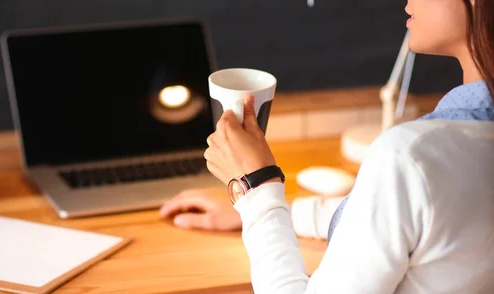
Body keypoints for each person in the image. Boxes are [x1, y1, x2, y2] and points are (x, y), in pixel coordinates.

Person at [160, 0, 494, 292]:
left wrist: (256, 187)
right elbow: (401, 220)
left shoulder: (411, 157)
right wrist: (274, 213)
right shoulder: (440, 156)